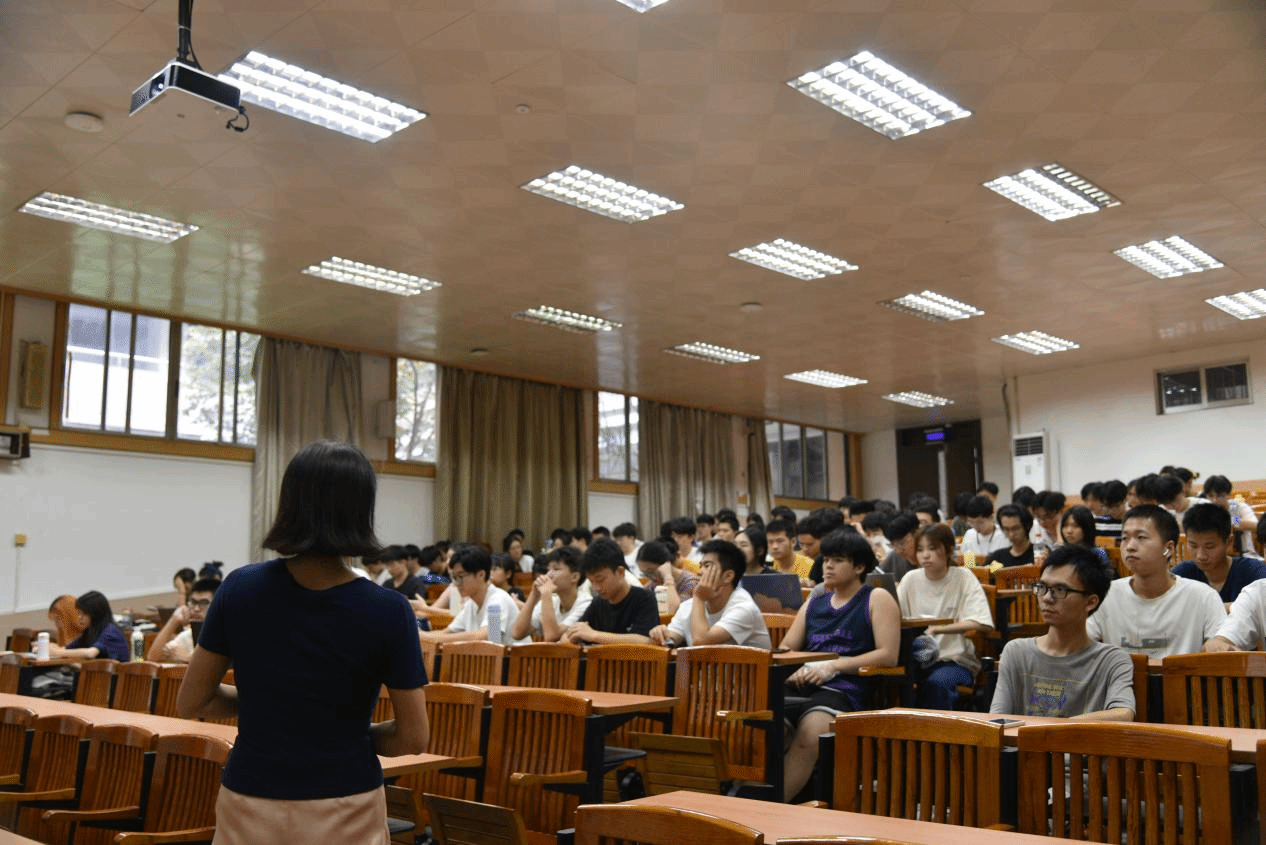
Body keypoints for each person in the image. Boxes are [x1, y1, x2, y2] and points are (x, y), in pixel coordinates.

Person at [176, 441, 428, 845]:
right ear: (362, 510)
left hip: (250, 795)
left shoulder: (239, 588)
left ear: (289, 502)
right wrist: (339, 729)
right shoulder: (389, 609)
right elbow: (414, 737)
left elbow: (193, 701)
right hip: (346, 801)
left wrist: (268, 704)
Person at [778, 529, 900, 801]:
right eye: (826, 559)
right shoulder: (815, 602)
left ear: (859, 567)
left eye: (838, 560)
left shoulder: (876, 598)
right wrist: (797, 668)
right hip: (804, 684)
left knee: (811, 732)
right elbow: (787, 648)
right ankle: (749, 797)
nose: (828, 566)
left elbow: (888, 655)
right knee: (765, 726)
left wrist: (834, 666)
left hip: (845, 688)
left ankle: (772, 808)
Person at [990, 545, 1134, 720]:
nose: (1047, 598)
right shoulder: (1016, 652)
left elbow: (1123, 714)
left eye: (1060, 590)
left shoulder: (1111, 661)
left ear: (1091, 602)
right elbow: (996, 720)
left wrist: (1054, 730)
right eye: (1042, 587)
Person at [1086, 505, 1225, 658]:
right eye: (1125, 538)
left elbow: (1220, 650)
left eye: (1141, 537)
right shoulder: (1105, 594)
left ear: (1169, 548)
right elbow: (1078, 646)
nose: (1130, 547)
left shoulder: (1203, 597)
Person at [896, 524, 993, 710]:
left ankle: (933, 729)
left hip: (955, 661)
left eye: (932, 549)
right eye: (920, 550)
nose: (925, 555)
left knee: (937, 684)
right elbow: (896, 617)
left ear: (948, 550)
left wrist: (938, 629)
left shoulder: (963, 576)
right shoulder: (910, 578)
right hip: (917, 661)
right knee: (891, 681)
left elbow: (980, 622)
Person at [649, 539, 771, 649]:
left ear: (728, 576)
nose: (699, 572)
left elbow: (701, 641)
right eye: (700, 566)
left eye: (707, 566)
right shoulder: (689, 605)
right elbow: (670, 639)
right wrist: (661, 633)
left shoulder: (744, 607)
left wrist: (699, 597)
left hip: (749, 668)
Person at [418, 545, 525, 646]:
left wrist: (425, 636)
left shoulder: (498, 600)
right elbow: (447, 632)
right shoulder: (471, 604)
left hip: (514, 658)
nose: (456, 584)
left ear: (481, 575)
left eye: (461, 577)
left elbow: (486, 637)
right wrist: (420, 635)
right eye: (454, 578)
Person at [561, 539, 658, 645]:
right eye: (591, 581)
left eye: (600, 580)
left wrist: (594, 635)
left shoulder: (644, 598)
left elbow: (645, 641)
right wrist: (570, 638)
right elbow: (568, 636)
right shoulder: (598, 603)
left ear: (620, 572)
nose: (596, 588)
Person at [1173, 502, 1266, 607]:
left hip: (1246, 551)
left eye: (1210, 547)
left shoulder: (1236, 506)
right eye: (1193, 546)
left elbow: (1242, 525)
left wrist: (1236, 522)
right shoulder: (1183, 573)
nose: (1200, 556)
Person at [509, 547, 591, 642]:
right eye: (549, 569)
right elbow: (516, 633)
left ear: (575, 577)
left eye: (556, 569)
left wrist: (546, 593)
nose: (548, 575)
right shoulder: (551, 599)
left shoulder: (586, 603)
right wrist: (533, 595)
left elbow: (551, 636)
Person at [146, 577, 220, 662]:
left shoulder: (225, 636)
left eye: (203, 603)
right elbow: (152, 658)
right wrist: (174, 620)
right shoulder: (187, 635)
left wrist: (182, 658)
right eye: (193, 602)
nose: (196, 609)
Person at [46, 591, 128, 661]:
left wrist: (57, 652)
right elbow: (66, 649)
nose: (79, 617)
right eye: (79, 613)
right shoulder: (90, 631)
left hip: (112, 675)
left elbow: (90, 653)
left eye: (83, 614)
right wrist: (50, 648)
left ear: (95, 614)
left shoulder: (111, 631)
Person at [635, 540, 698, 617]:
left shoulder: (690, 582)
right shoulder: (654, 583)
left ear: (665, 565)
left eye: (650, 572)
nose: (649, 578)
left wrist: (667, 578)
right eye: (645, 573)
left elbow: (672, 612)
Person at [1202, 475, 1260, 558]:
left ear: (1228, 494)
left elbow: (1256, 526)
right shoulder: (1205, 510)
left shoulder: (1236, 507)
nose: (1214, 500)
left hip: (1244, 555)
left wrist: (1234, 523)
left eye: (1219, 495)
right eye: (1210, 496)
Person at [766, 519, 814, 584]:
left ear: (793, 542)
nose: (774, 547)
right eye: (770, 542)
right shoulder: (767, 565)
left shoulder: (810, 566)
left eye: (780, 541)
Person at [878, 512, 918, 581]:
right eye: (892, 545)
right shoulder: (894, 557)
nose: (898, 551)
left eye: (902, 543)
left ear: (917, 534)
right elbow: (873, 580)